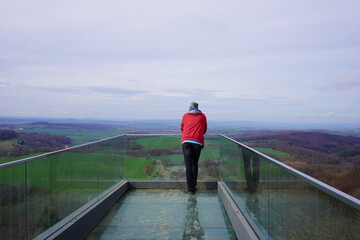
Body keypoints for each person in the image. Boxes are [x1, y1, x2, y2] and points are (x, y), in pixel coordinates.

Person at [181, 102, 207, 194]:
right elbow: (204, 130)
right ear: (197, 107)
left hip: (186, 141)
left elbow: (182, 128)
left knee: (188, 166)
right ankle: (193, 186)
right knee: (194, 164)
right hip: (197, 142)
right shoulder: (202, 116)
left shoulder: (185, 115)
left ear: (190, 108)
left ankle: (190, 189)